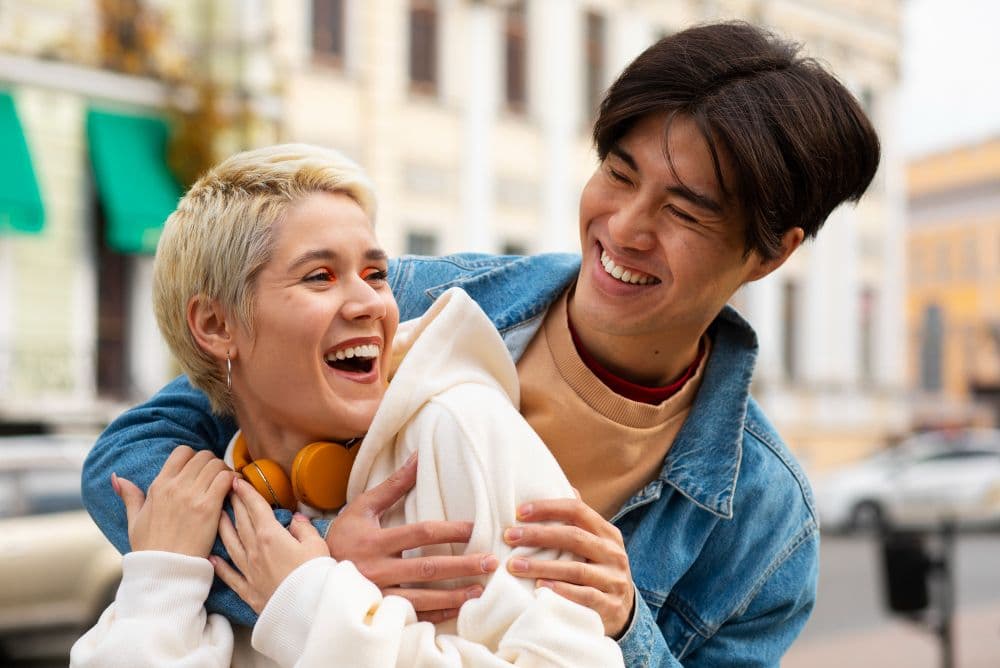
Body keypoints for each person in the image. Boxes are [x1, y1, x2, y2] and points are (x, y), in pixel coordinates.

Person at [82, 21, 881, 667]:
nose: (625, 227)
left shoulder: (766, 524)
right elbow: (132, 455)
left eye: (687, 209)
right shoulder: (410, 300)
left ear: (771, 252)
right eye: (618, 171)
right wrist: (324, 562)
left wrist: (630, 627)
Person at [71, 144, 624, 666]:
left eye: (375, 274)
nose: (370, 303)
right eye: (320, 276)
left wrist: (312, 604)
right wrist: (161, 586)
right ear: (215, 326)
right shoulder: (195, 506)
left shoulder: (460, 429)